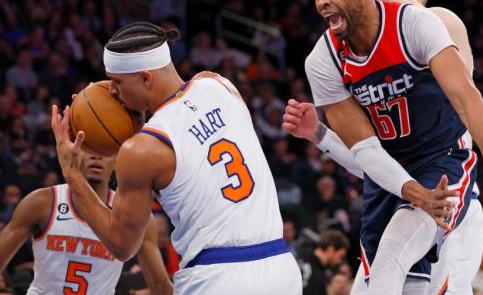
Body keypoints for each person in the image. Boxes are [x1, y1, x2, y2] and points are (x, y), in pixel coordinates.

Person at [302, 0, 483, 294]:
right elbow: (365, 149)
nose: (322, 1)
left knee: (391, 261)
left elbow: (465, 96)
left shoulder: (415, 23)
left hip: (440, 160)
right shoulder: (322, 60)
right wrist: (409, 190)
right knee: (390, 282)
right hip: (387, 173)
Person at [284, 0, 483, 294]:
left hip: (446, 192)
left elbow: (465, 94)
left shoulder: (436, 27)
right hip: (396, 194)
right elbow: (374, 165)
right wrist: (319, 134)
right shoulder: (363, 66)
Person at [51, 22, 302, 294]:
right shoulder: (218, 84)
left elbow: (122, 244)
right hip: (281, 268)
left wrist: (73, 174)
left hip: (218, 277)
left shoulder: (141, 150)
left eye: (117, 81)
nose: (111, 90)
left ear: (146, 79)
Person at [0, 148, 172, 295]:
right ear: (75, 152)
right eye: (88, 147)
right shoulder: (42, 202)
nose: (96, 156)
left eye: (105, 150)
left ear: (116, 161)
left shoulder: (135, 217)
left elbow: (160, 287)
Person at [299, 230, 350, 295]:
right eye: (341, 256)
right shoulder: (315, 274)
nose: (340, 261)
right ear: (330, 250)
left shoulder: (302, 260)